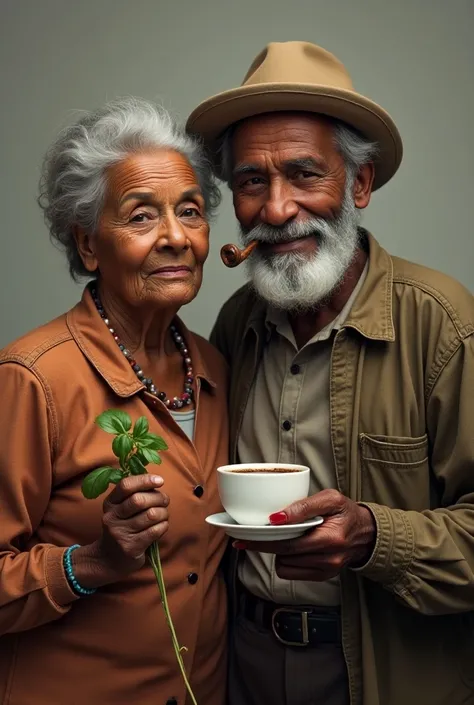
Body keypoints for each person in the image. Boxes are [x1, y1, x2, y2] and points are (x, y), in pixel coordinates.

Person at [187, 41, 474, 705]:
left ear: (360, 183)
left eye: (305, 173)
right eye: (252, 182)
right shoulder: (237, 323)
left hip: (386, 673)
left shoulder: (444, 326)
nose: (278, 208)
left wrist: (377, 535)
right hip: (244, 664)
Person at [0, 97, 229, 705]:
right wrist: (93, 562)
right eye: (141, 216)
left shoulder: (216, 368)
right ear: (88, 246)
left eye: (190, 211)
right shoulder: (32, 378)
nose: (176, 237)